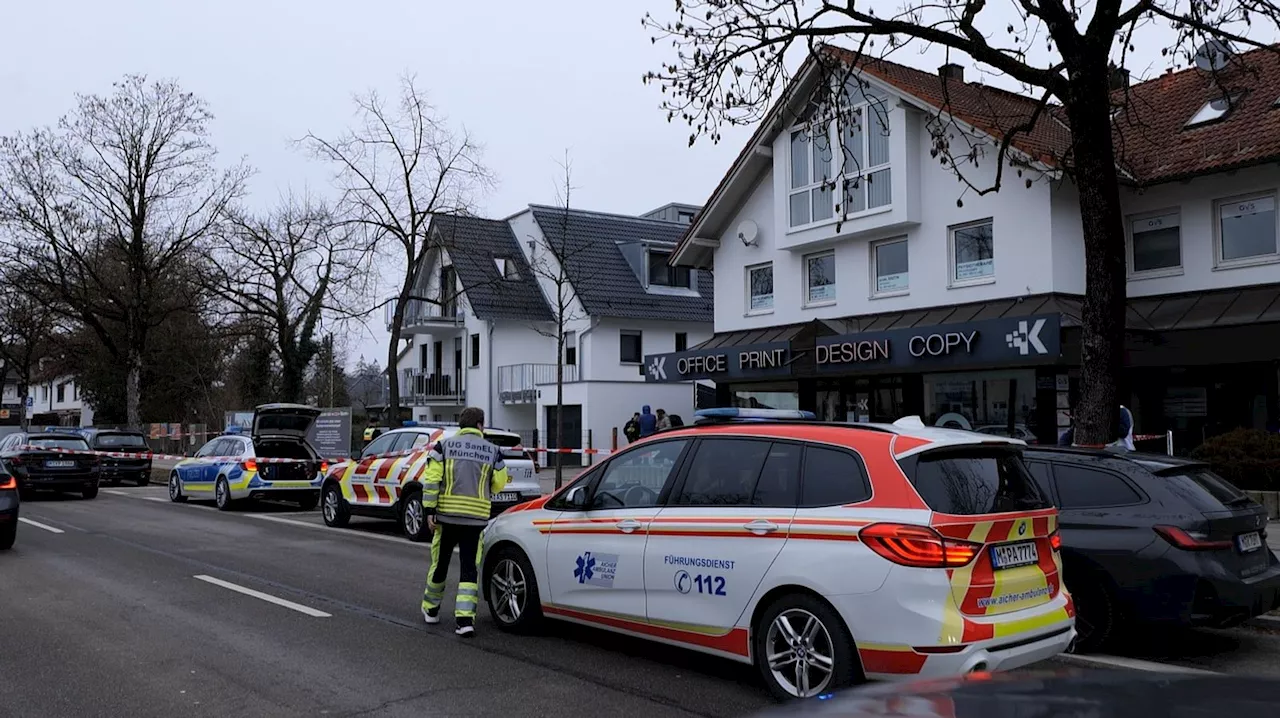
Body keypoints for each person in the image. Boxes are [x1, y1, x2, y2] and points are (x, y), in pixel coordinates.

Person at [420, 406, 510, 637]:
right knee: (469, 568)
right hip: (475, 519)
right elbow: (500, 483)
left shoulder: (444, 446)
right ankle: (464, 621)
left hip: (446, 518)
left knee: (440, 564)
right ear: (480, 424)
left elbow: (431, 480)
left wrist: (429, 510)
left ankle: (431, 610)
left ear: (461, 425)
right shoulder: (493, 451)